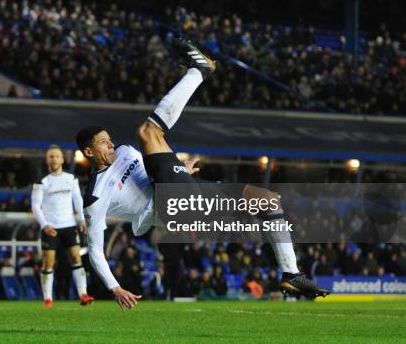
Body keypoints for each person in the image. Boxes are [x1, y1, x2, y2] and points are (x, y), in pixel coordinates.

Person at [76, 39, 330, 310]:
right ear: (89, 153)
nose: (111, 143)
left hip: (182, 189)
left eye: (109, 139)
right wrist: (114, 287)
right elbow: (94, 251)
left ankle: (291, 273)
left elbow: (155, 166)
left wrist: (180, 171)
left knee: (266, 199)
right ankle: (198, 71)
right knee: (148, 132)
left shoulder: (126, 152)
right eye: (103, 142)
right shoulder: (95, 195)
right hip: (170, 208)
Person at [31, 145, 94, 307]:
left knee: (76, 259)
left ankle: (83, 295)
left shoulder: (70, 178)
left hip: (69, 226)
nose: (54, 159)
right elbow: (35, 206)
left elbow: (78, 200)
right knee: (48, 262)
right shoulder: (41, 181)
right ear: (47, 160)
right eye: (51, 156)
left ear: (62, 159)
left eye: (56, 156)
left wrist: (81, 219)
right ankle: (47, 298)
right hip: (50, 228)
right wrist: (45, 225)